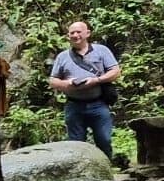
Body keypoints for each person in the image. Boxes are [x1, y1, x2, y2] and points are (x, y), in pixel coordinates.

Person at [47, 19, 120, 157]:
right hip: (74, 105)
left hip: (98, 104)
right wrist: (68, 84)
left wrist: (96, 80)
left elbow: (115, 72)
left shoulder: (101, 51)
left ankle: (106, 168)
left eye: (78, 32)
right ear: (68, 36)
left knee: (104, 139)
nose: (75, 35)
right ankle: (81, 173)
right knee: (76, 144)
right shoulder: (62, 57)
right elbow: (53, 81)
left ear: (87, 33)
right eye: (72, 33)